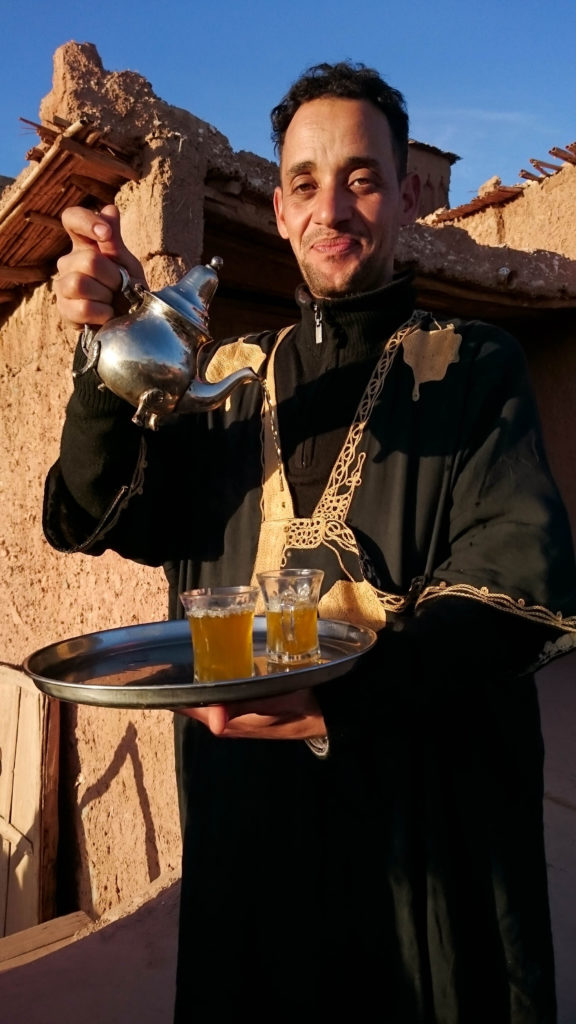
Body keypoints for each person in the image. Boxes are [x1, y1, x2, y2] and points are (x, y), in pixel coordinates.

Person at [46, 60, 576, 1023]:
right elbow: (91, 518)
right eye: (305, 182)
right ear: (282, 211)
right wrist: (111, 368)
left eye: (362, 177)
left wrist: (343, 704)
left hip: (418, 854)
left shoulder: (470, 366)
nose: (332, 206)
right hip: (249, 841)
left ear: (407, 197)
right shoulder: (232, 386)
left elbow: (510, 595)